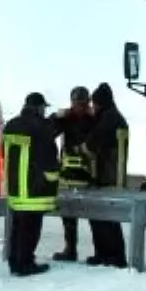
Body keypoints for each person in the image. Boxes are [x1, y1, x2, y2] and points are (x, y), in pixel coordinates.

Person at [1, 92, 60, 277]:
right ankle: (26, 263)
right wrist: (53, 178)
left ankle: (14, 262)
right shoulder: (41, 127)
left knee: (17, 226)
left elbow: (3, 152)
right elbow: (50, 156)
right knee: (31, 228)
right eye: (43, 107)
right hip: (34, 188)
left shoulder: (10, 125)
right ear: (38, 107)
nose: (44, 111)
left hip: (15, 188)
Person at [84, 82, 130, 268]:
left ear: (100, 103)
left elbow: (92, 145)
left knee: (106, 220)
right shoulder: (115, 117)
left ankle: (113, 257)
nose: (92, 107)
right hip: (113, 175)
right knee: (103, 218)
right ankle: (104, 254)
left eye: (94, 104)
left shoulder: (108, 119)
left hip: (107, 176)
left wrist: (81, 148)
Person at [48, 86, 96, 262]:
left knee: (95, 215)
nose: (80, 107)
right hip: (68, 175)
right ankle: (70, 249)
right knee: (68, 214)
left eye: (83, 104)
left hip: (88, 175)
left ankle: (98, 251)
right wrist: (55, 117)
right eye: (77, 104)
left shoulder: (94, 120)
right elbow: (48, 132)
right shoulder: (66, 119)